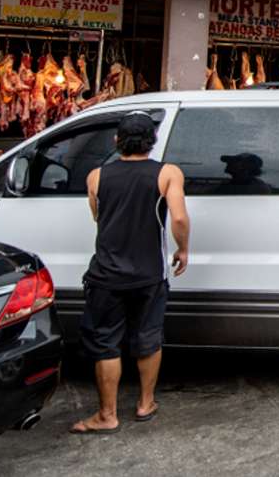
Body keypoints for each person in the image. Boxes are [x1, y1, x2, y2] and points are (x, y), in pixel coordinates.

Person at [71, 112, 190, 434]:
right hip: (149, 273)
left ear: (116, 141)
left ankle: (107, 415)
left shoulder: (96, 176)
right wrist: (182, 249)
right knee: (148, 337)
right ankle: (145, 403)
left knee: (106, 342)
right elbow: (178, 218)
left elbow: (98, 216)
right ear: (151, 142)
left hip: (106, 274)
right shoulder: (167, 173)